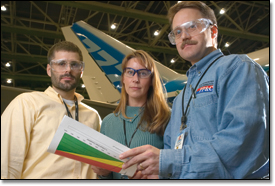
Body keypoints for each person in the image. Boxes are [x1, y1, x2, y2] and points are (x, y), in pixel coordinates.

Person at [119, 1, 269, 179]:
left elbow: (243, 144)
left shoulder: (238, 68)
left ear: (213, 31)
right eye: (177, 32)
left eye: (192, 26)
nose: (184, 36)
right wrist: (158, 173)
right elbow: (171, 149)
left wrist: (168, 162)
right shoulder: (182, 97)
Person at [1, 41, 101, 179]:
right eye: (61, 64)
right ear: (49, 70)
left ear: (81, 70)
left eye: (74, 64)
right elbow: (7, 164)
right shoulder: (27, 103)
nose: (68, 70)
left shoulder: (93, 116)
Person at [91, 50, 171, 179]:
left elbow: (177, 169)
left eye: (143, 73)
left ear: (151, 80)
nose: (135, 79)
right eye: (130, 72)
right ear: (123, 78)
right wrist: (103, 174)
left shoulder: (166, 118)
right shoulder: (108, 122)